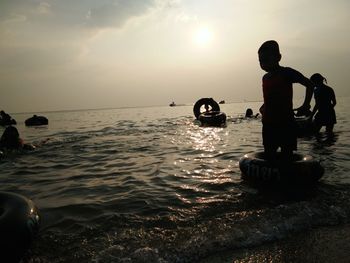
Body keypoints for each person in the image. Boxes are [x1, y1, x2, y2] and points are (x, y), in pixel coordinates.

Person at [258, 40, 313, 160]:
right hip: (268, 124)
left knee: (287, 155)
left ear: (278, 57)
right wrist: (264, 107)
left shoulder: (286, 73)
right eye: (261, 61)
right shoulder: (265, 78)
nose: (263, 63)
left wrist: (305, 105)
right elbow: (272, 96)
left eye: (266, 59)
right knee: (269, 154)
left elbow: (309, 84)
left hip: (286, 123)